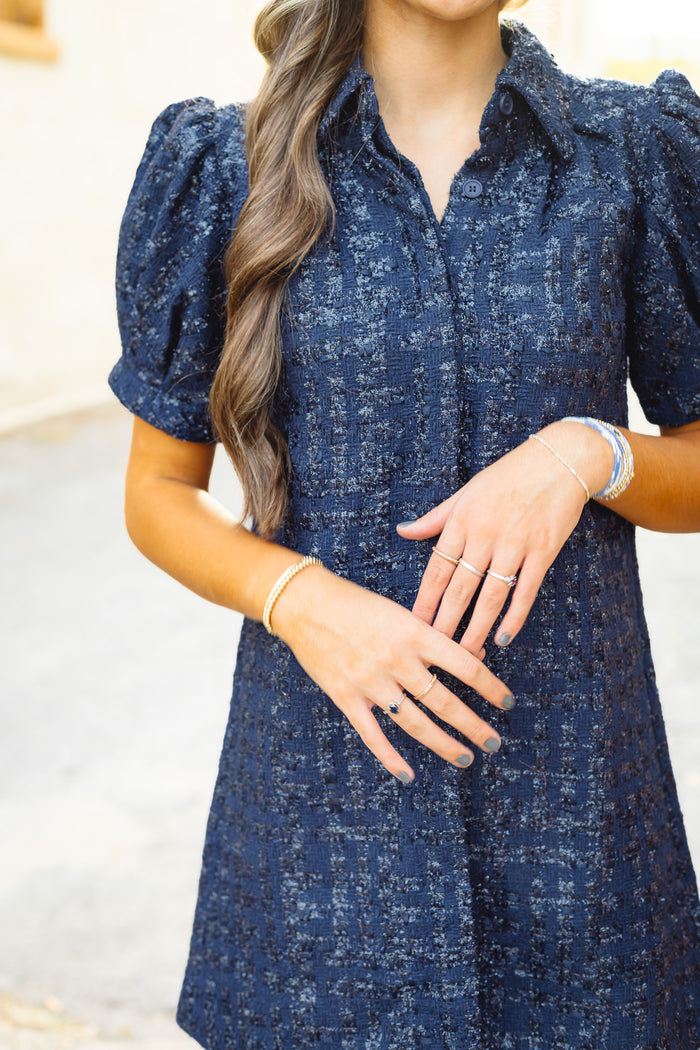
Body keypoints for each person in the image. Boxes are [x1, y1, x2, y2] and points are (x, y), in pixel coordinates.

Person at [108, 0, 700, 1045]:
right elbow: (156, 496)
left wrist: (588, 451)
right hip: (319, 838)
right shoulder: (224, 166)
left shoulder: (632, 157)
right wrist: (299, 598)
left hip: (586, 840)